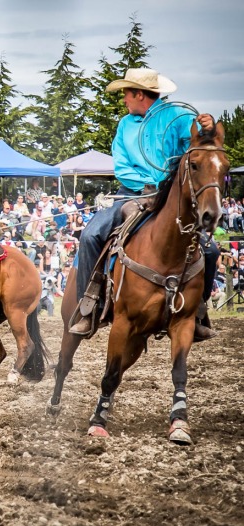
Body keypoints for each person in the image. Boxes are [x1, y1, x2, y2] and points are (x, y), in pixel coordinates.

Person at [71, 68, 217, 340]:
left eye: (126, 93)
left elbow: (200, 148)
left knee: (210, 251)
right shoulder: (125, 124)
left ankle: (198, 311)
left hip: (173, 196)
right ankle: (89, 307)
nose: (124, 99)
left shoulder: (180, 117)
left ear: (139, 94)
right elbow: (122, 166)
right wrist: (144, 187)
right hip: (132, 193)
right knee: (90, 235)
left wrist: (207, 129)